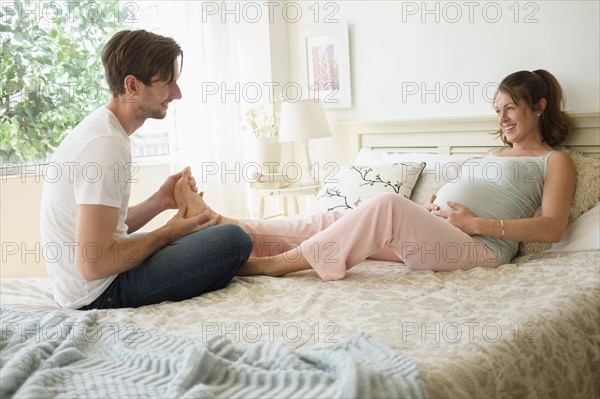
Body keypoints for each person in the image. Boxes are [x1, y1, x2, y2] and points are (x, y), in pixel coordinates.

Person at [173, 69, 575, 280]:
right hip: (442, 235)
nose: (501, 118)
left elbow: (551, 227)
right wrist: (436, 204)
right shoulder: (491, 151)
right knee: (334, 218)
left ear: (538, 107)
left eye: (510, 108)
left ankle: (275, 266)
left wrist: (474, 222)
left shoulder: (554, 161)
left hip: (481, 251)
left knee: (387, 204)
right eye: (497, 109)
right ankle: (224, 224)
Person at [40, 29, 253, 310]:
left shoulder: (102, 130)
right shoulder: (106, 146)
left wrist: (159, 202)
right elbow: (94, 264)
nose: (177, 93)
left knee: (199, 238)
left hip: (85, 284)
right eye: (168, 83)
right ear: (132, 86)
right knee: (232, 240)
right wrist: (167, 233)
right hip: (97, 293)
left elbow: (105, 232)